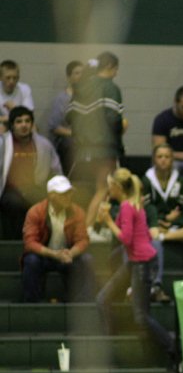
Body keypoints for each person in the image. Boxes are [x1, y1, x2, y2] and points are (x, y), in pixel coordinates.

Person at [96, 168, 175, 359]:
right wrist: (103, 218)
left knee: (141, 316)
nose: (108, 190)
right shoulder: (133, 204)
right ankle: (110, 344)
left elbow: (126, 238)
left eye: (109, 186)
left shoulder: (127, 206)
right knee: (102, 299)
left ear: (116, 186)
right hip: (137, 262)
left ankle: (171, 346)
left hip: (141, 263)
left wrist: (107, 219)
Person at [66, 51, 123, 228]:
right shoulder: (111, 88)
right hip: (104, 149)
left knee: (86, 192)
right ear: (109, 67)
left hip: (81, 149)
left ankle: (80, 228)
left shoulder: (80, 88)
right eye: (116, 69)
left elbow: (69, 117)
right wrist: (123, 127)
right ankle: (87, 230)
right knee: (103, 189)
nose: (116, 73)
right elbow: (114, 119)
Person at [21, 175, 94, 303]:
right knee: (31, 261)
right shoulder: (36, 211)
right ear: (51, 195)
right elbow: (30, 242)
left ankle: (83, 302)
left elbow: (83, 239)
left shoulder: (77, 212)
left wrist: (70, 253)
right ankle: (33, 302)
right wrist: (54, 254)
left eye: (69, 192)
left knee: (87, 259)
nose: (68, 196)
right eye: (63, 193)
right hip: (44, 256)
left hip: (67, 255)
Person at [0, 106, 63, 239]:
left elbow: (56, 171)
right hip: (10, 191)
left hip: (35, 188)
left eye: (27, 121)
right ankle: (15, 244)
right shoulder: (3, 144)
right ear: (12, 125)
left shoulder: (44, 145)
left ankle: (38, 243)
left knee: (45, 203)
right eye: (19, 121)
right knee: (14, 203)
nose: (24, 125)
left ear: (32, 124)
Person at [45, 60, 84, 172]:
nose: (81, 76)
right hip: (66, 142)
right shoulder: (61, 99)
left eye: (83, 73)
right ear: (69, 77)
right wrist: (74, 134)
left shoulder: (89, 99)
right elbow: (54, 127)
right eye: (77, 73)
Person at [0, 60, 34, 132]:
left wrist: (14, 108)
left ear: (18, 78)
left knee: (34, 128)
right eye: (8, 78)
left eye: (14, 78)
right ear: (1, 78)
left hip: (20, 123)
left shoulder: (24, 89)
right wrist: (10, 117)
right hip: (3, 124)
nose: (11, 81)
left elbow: (29, 116)